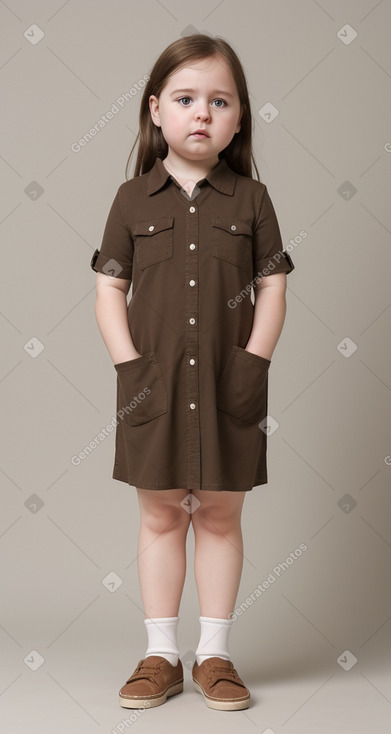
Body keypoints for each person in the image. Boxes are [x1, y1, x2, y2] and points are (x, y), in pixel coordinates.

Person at [90, 33, 295, 712]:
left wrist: (255, 361)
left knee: (217, 514)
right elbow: (106, 289)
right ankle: (160, 655)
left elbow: (271, 287)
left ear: (238, 119)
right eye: (185, 99)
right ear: (156, 110)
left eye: (218, 101)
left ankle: (214, 655)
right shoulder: (130, 200)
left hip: (228, 382)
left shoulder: (252, 201)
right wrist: (127, 365)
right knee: (158, 516)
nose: (200, 113)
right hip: (150, 383)